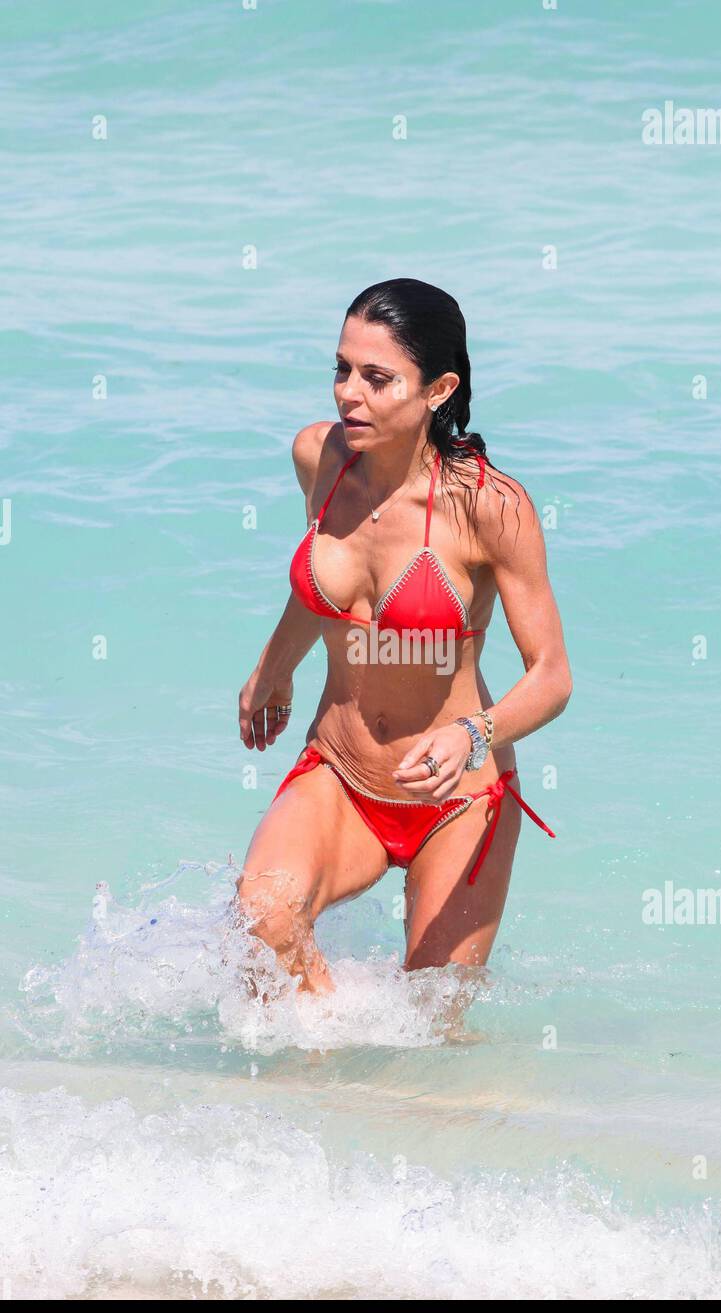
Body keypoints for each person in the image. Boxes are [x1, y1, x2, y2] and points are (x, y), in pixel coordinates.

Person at [235, 278, 572, 999]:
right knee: (264, 924)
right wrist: (275, 668)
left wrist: (471, 735)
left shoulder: (489, 506)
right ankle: (310, 1092)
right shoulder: (320, 459)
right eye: (341, 370)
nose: (347, 394)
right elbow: (328, 589)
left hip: (459, 798)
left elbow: (552, 677)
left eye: (377, 378)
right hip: (341, 771)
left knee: (430, 1028)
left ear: (438, 389)